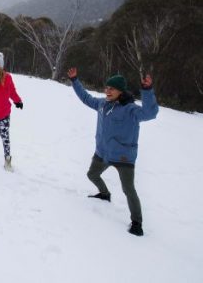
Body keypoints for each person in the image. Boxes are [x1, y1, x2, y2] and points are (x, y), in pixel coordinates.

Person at [67, 67, 159, 236]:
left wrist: (147, 91)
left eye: (111, 88)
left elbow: (150, 113)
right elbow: (86, 98)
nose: (107, 91)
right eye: (106, 87)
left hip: (123, 157)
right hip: (103, 152)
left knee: (128, 189)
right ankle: (104, 194)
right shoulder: (102, 104)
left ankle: (137, 222)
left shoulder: (130, 110)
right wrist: (75, 80)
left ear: (120, 91)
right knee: (92, 174)